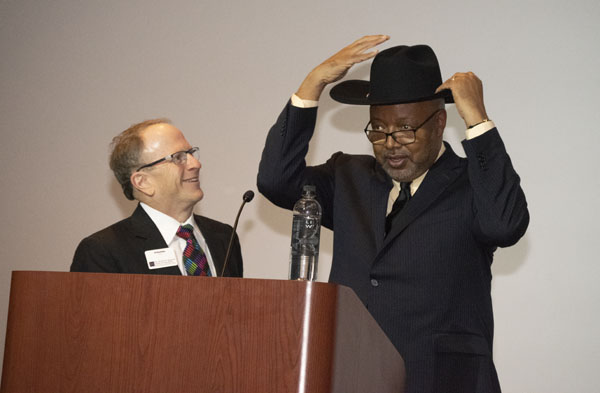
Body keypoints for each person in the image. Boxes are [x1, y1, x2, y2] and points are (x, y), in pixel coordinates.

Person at [257, 35, 528, 393]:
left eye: (405, 129)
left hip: (444, 380)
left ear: (438, 122)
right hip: (353, 376)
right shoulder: (348, 177)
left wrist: (477, 120)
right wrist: (313, 84)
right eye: (379, 130)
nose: (390, 144)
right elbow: (276, 181)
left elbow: (505, 226)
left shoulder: (472, 185)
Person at [71, 119, 243, 277]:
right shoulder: (104, 251)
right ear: (142, 182)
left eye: (191, 153)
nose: (195, 164)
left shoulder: (224, 237)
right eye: (178, 158)